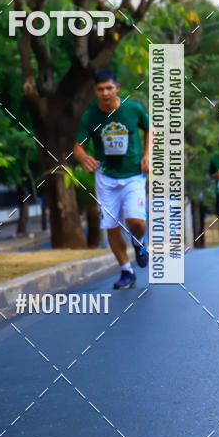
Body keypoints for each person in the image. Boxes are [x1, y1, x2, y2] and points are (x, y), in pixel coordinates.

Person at [73, 69, 150, 289]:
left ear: (117, 87)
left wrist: (147, 154)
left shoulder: (132, 109)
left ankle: (139, 242)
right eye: (100, 89)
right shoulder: (90, 116)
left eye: (109, 88)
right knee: (111, 226)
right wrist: (83, 157)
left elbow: (149, 128)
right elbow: (78, 146)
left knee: (136, 221)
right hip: (105, 177)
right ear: (95, 91)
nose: (105, 93)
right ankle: (127, 271)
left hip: (133, 174)